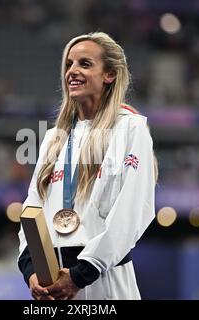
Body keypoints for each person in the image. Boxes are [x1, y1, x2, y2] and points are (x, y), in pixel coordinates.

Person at [18, 32, 157, 300]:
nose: (72, 71)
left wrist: (83, 274)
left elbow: (133, 209)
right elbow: (32, 209)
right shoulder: (53, 138)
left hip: (104, 280)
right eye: (69, 64)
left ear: (110, 75)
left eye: (84, 63)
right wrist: (31, 270)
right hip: (53, 284)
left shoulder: (130, 127)